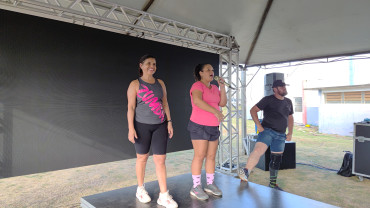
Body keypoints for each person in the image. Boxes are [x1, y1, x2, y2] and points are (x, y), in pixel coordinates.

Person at [127, 54, 178, 208]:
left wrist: (169, 122)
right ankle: (140, 189)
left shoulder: (160, 83)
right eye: (149, 63)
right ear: (141, 65)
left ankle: (164, 195)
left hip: (160, 126)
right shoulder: (135, 84)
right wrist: (131, 128)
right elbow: (130, 107)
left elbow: (165, 103)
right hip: (142, 126)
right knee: (142, 158)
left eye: (154, 64)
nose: (152, 66)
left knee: (160, 160)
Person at [238, 80, 294, 191]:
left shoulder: (288, 101)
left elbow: (290, 118)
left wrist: (290, 133)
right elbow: (253, 110)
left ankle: (273, 184)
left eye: (284, 86)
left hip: (281, 135)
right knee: (258, 151)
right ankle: (245, 172)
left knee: (276, 159)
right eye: (282, 87)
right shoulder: (268, 99)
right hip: (267, 131)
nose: (284, 88)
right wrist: (258, 125)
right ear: (275, 89)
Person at [187, 64, 227, 200]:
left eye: (212, 70)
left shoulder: (215, 87)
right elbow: (197, 101)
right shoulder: (197, 85)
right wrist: (215, 112)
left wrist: (222, 86)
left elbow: (222, 103)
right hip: (199, 126)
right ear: (201, 73)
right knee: (200, 155)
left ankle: (210, 184)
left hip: (213, 126)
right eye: (208, 70)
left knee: (211, 156)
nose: (212, 72)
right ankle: (196, 186)